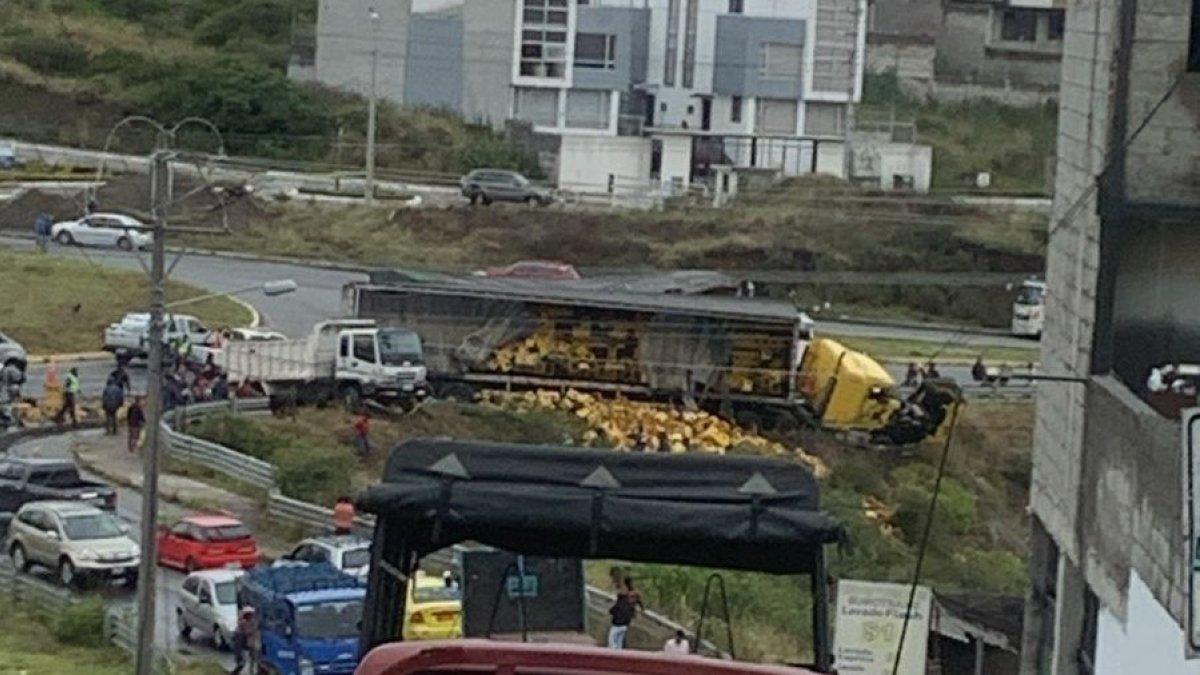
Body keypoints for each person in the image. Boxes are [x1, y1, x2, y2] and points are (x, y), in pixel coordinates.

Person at [230, 607, 260, 675]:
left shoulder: (251, 622)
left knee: (252, 661)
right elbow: (247, 632)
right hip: (246, 645)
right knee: (244, 662)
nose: (251, 616)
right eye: (249, 614)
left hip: (251, 644)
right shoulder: (243, 624)